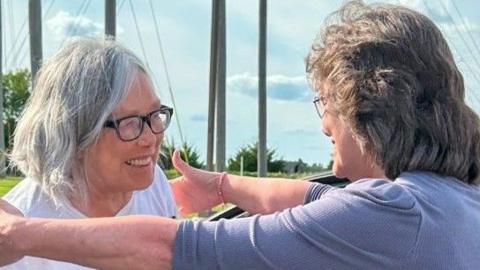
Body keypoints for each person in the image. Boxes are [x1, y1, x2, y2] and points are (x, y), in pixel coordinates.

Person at [1, 1, 480, 269]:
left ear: (368, 111)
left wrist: (19, 235)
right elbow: (309, 198)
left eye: (326, 104)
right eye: (131, 121)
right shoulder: (447, 198)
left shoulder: (393, 215)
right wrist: (223, 187)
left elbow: (176, 249)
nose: (323, 124)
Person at [1, 37, 177, 269]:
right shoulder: (16, 235)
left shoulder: (153, 185)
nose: (150, 138)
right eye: (129, 122)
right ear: (74, 133)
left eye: (154, 114)